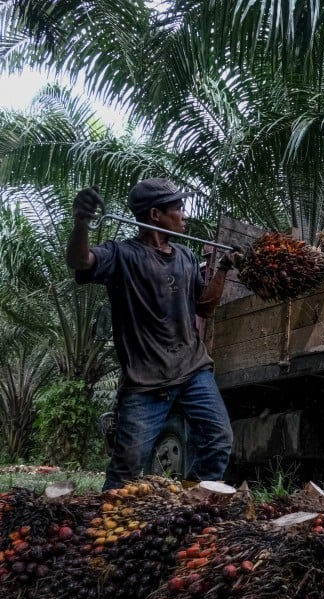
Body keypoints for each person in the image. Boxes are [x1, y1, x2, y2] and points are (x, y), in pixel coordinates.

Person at [66, 178, 243, 491]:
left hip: (192, 371)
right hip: (146, 382)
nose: (184, 215)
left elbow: (203, 308)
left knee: (219, 441)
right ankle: (108, 528)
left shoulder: (186, 256)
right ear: (155, 215)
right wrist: (81, 221)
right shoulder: (121, 255)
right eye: (178, 208)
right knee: (126, 471)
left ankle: (189, 505)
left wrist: (224, 268)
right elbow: (80, 261)